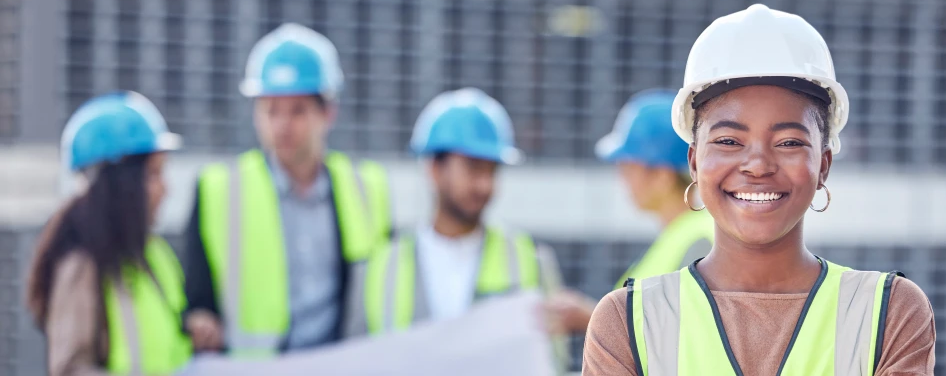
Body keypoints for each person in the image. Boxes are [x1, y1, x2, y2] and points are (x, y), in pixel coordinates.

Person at [582, 4, 936, 375]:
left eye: (787, 142)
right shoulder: (626, 320)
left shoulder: (886, 312)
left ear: (823, 166)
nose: (758, 165)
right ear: (694, 164)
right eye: (729, 141)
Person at [182, 23, 393, 357]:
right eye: (271, 110)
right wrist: (200, 320)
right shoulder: (219, 191)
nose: (282, 125)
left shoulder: (368, 189)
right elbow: (197, 298)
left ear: (328, 113)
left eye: (297, 111)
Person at [345, 87, 586, 337]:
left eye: (491, 170)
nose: (484, 184)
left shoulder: (530, 263)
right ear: (434, 168)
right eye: (473, 168)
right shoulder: (379, 268)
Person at [25, 91, 190, 376]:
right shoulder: (81, 266)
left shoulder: (154, 254)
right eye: (152, 175)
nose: (165, 189)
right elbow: (69, 369)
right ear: (117, 184)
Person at [596, 89, 714, 289]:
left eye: (629, 169)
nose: (624, 181)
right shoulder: (677, 237)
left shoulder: (699, 242)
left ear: (662, 176)